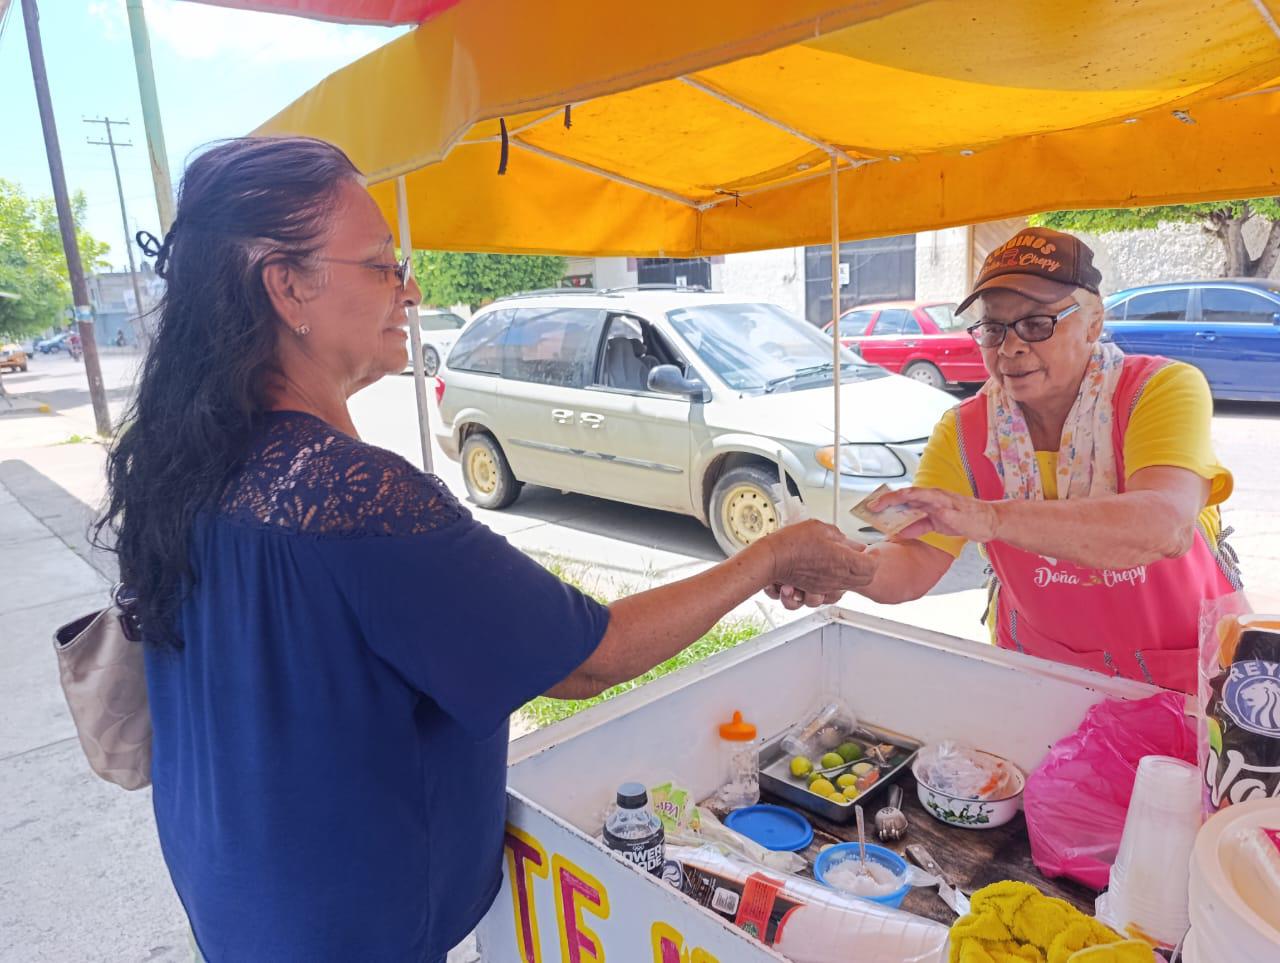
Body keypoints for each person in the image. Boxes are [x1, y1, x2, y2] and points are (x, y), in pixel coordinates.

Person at [94, 136, 876, 962]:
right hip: (345, 933)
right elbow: (587, 657)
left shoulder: (189, 465)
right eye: (383, 266)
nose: (411, 288)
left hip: (234, 904)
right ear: (288, 286)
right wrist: (769, 558)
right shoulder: (351, 495)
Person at [829, 227, 1240, 693]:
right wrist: (849, 570)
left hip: (1184, 671)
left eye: (1036, 323)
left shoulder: (1158, 389)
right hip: (1045, 671)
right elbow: (915, 560)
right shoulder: (964, 432)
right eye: (994, 328)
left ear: (1093, 323)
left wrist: (987, 518)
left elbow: (1163, 526)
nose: (1010, 347)